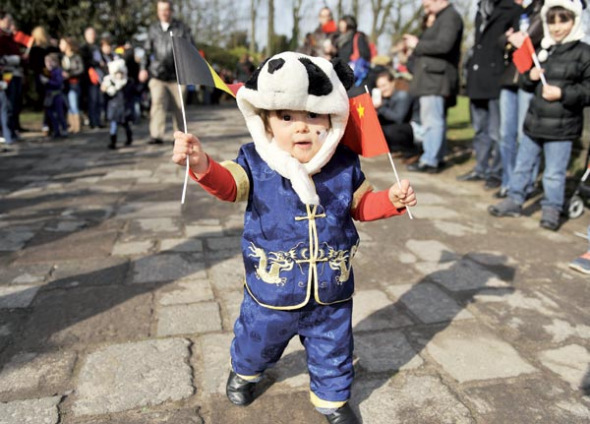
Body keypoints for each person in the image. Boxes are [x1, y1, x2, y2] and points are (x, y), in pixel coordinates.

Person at [172, 52, 417, 424]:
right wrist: (203, 165)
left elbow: (362, 205)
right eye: (287, 118)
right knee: (257, 341)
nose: (301, 128)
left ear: (332, 119)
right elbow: (229, 186)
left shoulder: (344, 164)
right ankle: (245, 371)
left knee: (333, 348)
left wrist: (391, 201)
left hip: (331, 291)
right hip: (272, 293)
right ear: (268, 122)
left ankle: (331, 400)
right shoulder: (255, 161)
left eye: (313, 116)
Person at [488, 0, 590, 231]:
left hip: (561, 128)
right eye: (551, 21)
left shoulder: (584, 53)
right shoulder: (544, 50)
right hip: (534, 123)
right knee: (523, 166)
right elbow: (526, 85)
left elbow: (588, 90)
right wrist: (529, 77)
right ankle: (514, 199)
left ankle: (551, 208)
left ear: (574, 21)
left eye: (563, 20)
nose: (557, 27)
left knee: (553, 173)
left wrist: (563, 93)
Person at [458, 0, 521, 188]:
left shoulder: (513, 10)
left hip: (497, 78)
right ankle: (481, 167)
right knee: (479, 129)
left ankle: (496, 172)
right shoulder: (480, 10)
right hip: (477, 78)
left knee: (497, 131)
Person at [403, 0, 463, 173]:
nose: (426, 9)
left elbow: (444, 45)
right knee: (434, 119)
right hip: (432, 78)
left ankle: (430, 160)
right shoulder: (443, 17)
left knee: (432, 121)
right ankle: (436, 156)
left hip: (435, 79)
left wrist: (417, 44)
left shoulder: (450, 17)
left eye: (428, 5)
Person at [496, 0, 544, 199]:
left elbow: (533, 36)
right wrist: (509, 39)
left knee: (524, 135)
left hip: (529, 77)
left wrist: (520, 39)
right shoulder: (522, 11)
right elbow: (501, 39)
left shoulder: (546, 8)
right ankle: (508, 181)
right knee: (505, 134)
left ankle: (525, 183)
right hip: (510, 77)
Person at [139, 0, 194, 145]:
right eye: (161, 10)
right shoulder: (153, 29)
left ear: (171, 11)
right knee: (157, 104)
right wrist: (143, 68)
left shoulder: (182, 28)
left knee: (179, 107)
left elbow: (190, 49)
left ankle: (180, 136)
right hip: (157, 75)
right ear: (158, 12)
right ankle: (156, 135)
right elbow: (146, 51)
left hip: (177, 75)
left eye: (167, 10)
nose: (164, 13)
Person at [373, 70, 422, 162]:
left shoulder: (402, 95)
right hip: (406, 129)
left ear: (392, 83)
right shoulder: (386, 98)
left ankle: (412, 151)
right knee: (378, 126)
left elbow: (399, 118)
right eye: (379, 87)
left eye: (384, 85)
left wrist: (380, 107)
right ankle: (399, 149)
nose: (382, 89)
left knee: (390, 130)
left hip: (417, 131)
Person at [101, 58, 135, 149]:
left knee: (126, 125)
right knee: (113, 126)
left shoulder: (127, 82)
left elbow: (132, 93)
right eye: (117, 73)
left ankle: (129, 138)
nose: (119, 75)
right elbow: (104, 92)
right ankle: (113, 141)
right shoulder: (110, 82)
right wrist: (108, 88)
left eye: (121, 73)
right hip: (114, 108)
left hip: (124, 108)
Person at [335, 15, 372, 89]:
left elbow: (365, 55)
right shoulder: (339, 39)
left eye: (343, 23)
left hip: (355, 76)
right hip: (343, 75)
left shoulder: (357, 37)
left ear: (349, 24)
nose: (340, 25)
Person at [80, 27, 104, 129]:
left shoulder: (97, 47)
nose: (92, 36)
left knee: (99, 100)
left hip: (100, 77)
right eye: (90, 34)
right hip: (91, 78)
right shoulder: (84, 48)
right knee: (92, 100)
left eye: (93, 34)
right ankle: (93, 121)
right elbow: (86, 62)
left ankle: (98, 120)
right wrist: (97, 63)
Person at [59, 36, 84, 134]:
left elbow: (80, 69)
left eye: (62, 43)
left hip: (73, 84)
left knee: (74, 104)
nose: (60, 46)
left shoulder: (76, 57)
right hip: (65, 85)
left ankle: (77, 126)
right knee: (69, 105)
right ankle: (72, 125)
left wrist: (70, 74)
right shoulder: (62, 58)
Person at [40, 53, 67, 138]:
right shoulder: (46, 71)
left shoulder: (58, 71)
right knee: (50, 114)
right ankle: (56, 130)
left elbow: (59, 83)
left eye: (51, 61)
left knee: (59, 113)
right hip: (48, 96)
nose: (48, 63)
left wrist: (48, 81)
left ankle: (63, 129)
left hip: (56, 95)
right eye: (46, 61)